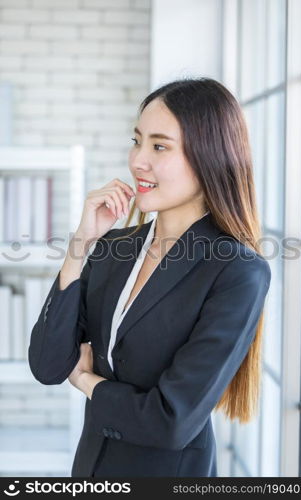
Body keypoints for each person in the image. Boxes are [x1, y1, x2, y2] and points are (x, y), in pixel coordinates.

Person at [28, 77, 271, 477]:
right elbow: (48, 365)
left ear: (209, 156)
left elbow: (170, 420)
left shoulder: (237, 271)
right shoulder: (114, 247)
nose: (138, 160)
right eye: (137, 141)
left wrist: (89, 383)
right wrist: (80, 246)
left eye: (159, 146)